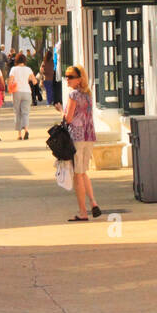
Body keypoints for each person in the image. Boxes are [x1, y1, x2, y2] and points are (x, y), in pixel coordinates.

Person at [59, 65, 102, 222]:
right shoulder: (88, 95)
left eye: (70, 76)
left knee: (78, 175)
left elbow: (68, 118)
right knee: (83, 172)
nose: (67, 79)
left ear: (79, 78)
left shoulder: (74, 95)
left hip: (77, 137)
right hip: (89, 136)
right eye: (66, 76)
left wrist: (60, 111)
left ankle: (83, 212)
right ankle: (93, 202)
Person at [8, 53, 36, 140]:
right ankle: (26, 130)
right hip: (27, 92)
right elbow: (34, 81)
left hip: (17, 92)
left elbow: (11, 81)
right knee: (25, 112)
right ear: (24, 60)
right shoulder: (28, 69)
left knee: (17, 112)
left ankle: (19, 134)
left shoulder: (14, 69)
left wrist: (10, 87)